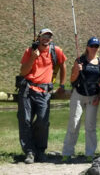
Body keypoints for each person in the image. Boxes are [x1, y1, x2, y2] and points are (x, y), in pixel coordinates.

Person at [18, 28, 67, 163]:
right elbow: (23, 72)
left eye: (49, 36)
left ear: (51, 39)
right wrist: (33, 57)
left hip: (44, 92)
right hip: (27, 90)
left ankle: (39, 150)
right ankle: (29, 152)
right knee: (25, 121)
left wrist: (62, 85)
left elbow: (63, 65)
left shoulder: (56, 51)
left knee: (43, 121)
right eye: (44, 36)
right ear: (38, 37)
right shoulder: (30, 51)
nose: (46, 38)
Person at [62, 37, 100, 162]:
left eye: (96, 46)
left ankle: (90, 154)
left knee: (90, 126)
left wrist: (99, 95)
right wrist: (77, 70)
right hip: (78, 94)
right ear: (87, 47)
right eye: (92, 46)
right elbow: (72, 79)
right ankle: (67, 152)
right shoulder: (79, 60)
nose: (94, 48)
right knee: (74, 123)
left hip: (93, 97)